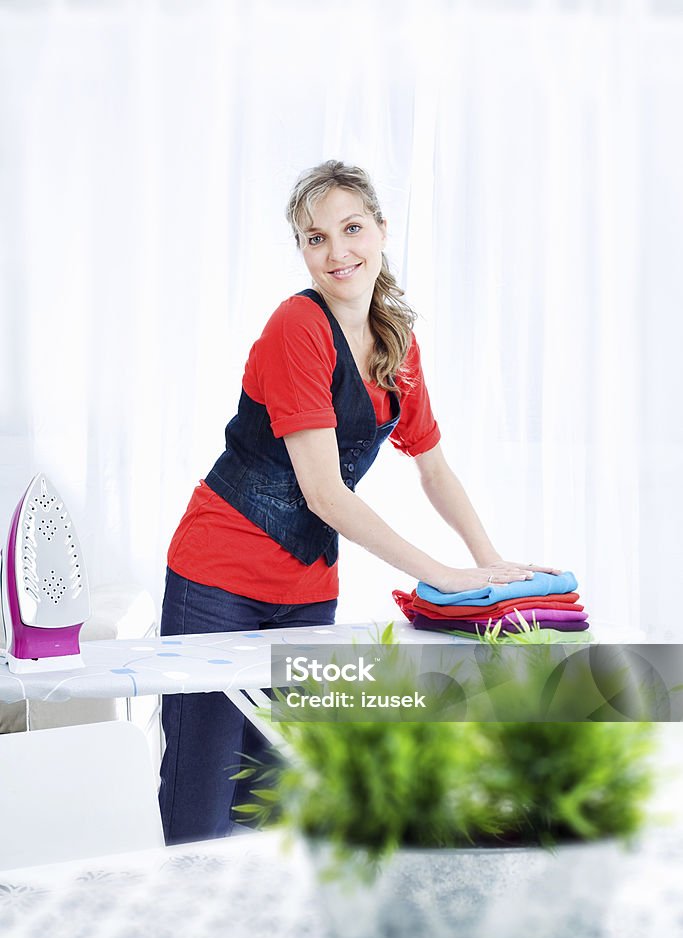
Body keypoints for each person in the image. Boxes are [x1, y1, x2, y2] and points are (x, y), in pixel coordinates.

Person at [158, 159, 558, 844]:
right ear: (302, 251)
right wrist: (441, 575)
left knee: (280, 793)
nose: (337, 252)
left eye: (349, 229)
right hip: (216, 578)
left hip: (307, 588)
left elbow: (432, 468)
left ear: (380, 229)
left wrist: (487, 564)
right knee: (203, 794)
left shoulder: (396, 344)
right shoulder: (297, 327)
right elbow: (326, 496)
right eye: (315, 239)